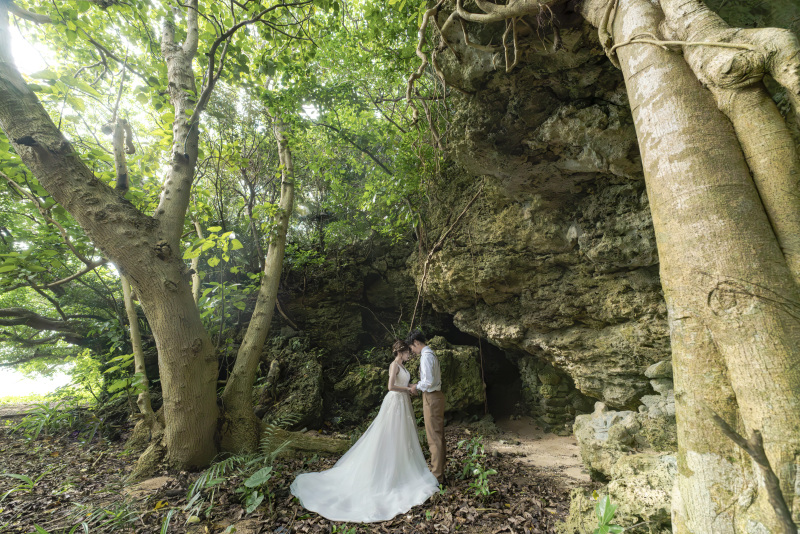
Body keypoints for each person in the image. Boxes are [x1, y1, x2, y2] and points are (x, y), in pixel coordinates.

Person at [290, 340, 439, 523]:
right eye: (408, 352)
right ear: (401, 352)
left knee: (402, 437)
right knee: (389, 435)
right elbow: (390, 387)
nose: (410, 355)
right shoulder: (394, 366)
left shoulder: (403, 366)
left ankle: (402, 466)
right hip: (394, 402)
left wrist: (410, 388)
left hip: (403, 402)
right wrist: (408, 388)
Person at [406, 330, 446, 485]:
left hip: (432, 397)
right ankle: (440, 472)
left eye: (411, 348)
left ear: (416, 342)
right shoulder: (430, 354)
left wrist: (416, 386)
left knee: (433, 438)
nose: (412, 352)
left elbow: (427, 381)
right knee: (438, 435)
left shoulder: (426, 356)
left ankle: (437, 477)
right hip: (436, 396)